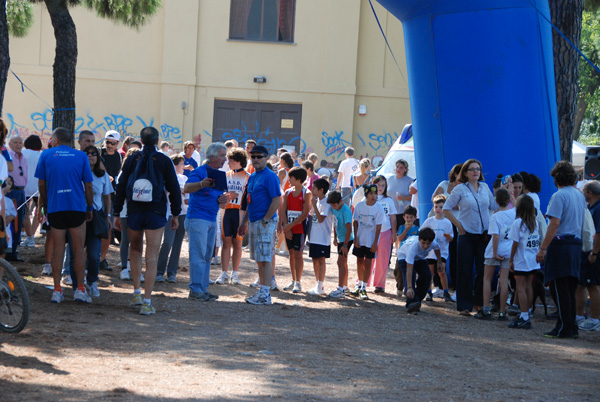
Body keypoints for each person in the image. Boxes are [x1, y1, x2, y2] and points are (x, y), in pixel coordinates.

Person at [113, 127, 181, 315]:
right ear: (157, 141)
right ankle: (147, 301)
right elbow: (174, 189)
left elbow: (121, 186)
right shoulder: (165, 160)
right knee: (152, 256)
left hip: (134, 211)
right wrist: (175, 214)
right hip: (156, 212)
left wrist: (116, 212)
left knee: (135, 251)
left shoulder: (132, 159)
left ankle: (136, 292)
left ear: (141, 141)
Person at [36, 127, 94, 304]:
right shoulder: (81, 156)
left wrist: (45, 205)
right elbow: (88, 185)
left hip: (56, 207)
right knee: (78, 250)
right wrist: (89, 207)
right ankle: (80, 290)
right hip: (77, 207)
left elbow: (41, 184)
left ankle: (57, 290)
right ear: (70, 140)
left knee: (58, 250)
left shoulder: (46, 155)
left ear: (55, 139)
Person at [537, 161, 585, 339]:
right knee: (570, 288)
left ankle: (564, 327)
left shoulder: (559, 196)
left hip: (561, 245)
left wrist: (543, 248)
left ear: (557, 178)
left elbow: (554, 223)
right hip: (575, 243)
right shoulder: (579, 195)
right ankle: (571, 326)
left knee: (559, 288)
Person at [443, 159, 497, 316]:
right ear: (465, 173)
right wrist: (458, 226)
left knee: (483, 270)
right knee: (465, 269)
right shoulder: (460, 189)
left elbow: (494, 206)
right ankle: (465, 305)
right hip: (466, 234)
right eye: (472, 169)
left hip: (484, 235)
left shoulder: (485, 187)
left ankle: (479, 302)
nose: (476, 171)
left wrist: (506, 194)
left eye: (478, 169)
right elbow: (446, 208)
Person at [183, 142, 229, 301]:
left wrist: (223, 199)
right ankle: (195, 289)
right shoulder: (199, 171)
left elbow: (220, 201)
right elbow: (187, 188)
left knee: (207, 255)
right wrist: (202, 183)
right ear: (212, 156)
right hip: (197, 219)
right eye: (222, 155)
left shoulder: (219, 175)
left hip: (211, 218)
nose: (225, 159)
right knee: (198, 254)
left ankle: (202, 288)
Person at [238, 145, 282, 305]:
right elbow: (251, 201)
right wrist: (244, 221)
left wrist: (265, 220)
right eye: (253, 156)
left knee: (265, 258)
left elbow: (276, 199)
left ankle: (265, 293)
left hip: (265, 222)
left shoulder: (270, 176)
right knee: (259, 258)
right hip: (255, 221)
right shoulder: (253, 176)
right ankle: (262, 291)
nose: (255, 159)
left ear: (266, 157)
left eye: (259, 156)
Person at [215, 148, 249, 285]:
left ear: (239, 161)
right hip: (226, 212)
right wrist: (226, 197)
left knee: (237, 244)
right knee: (226, 242)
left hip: (240, 212)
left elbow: (248, 197)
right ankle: (223, 273)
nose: (228, 162)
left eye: (231, 160)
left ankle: (235, 274)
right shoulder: (225, 175)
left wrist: (246, 219)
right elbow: (219, 195)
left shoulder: (248, 176)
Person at [82, 145, 113, 298]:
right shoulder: (77, 173)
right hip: (78, 217)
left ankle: (92, 281)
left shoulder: (103, 176)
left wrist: (107, 216)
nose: (90, 156)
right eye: (87, 154)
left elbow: (107, 197)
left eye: (94, 154)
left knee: (94, 255)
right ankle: (77, 282)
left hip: (96, 217)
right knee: (77, 253)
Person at [506, 195, 540, 329]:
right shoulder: (535, 222)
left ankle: (524, 315)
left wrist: (511, 260)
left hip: (521, 259)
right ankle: (527, 312)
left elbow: (515, 244)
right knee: (528, 287)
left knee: (520, 288)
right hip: (533, 259)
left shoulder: (517, 223)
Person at [480, 188, 515, 320]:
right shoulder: (514, 213)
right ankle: (502, 311)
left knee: (487, 279)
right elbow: (516, 204)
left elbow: (495, 236)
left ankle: (486, 309)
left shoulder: (495, 216)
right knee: (504, 281)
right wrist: (511, 195)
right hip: (508, 250)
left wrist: (494, 252)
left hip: (494, 250)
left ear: (496, 201)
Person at [156, 154, 188, 283]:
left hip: (183, 213)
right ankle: (159, 271)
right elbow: (165, 193)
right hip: (169, 213)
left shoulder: (185, 178)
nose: (184, 167)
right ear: (174, 165)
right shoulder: (166, 177)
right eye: (181, 164)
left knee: (177, 244)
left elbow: (187, 198)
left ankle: (172, 272)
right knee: (168, 242)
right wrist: (176, 190)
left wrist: (184, 192)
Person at [351, 184, 384, 300]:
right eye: (370, 193)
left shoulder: (379, 208)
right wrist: (356, 238)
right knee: (359, 261)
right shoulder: (360, 206)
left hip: (371, 240)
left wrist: (375, 242)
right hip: (360, 239)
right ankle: (359, 285)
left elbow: (378, 226)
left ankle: (364, 287)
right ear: (366, 194)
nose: (373, 196)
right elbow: (355, 222)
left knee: (368, 262)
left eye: (375, 193)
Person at [281, 167, 311, 293]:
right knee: (291, 254)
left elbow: (305, 213)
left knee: (298, 254)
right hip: (289, 228)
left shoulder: (307, 193)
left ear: (298, 180)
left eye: (291, 178)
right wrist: (286, 227)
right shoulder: (287, 192)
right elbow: (283, 210)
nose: (289, 180)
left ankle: (298, 282)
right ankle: (293, 280)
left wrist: (290, 226)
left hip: (300, 229)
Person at [399, 228, 442, 313]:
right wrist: (410, 287)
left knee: (427, 276)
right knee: (411, 279)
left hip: (419, 258)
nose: (426, 246)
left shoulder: (434, 243)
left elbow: (437, 249)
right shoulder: (413, 247)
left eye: (428, 244)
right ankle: (411, 303)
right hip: (404, 257)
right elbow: (409, 270)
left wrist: (439, 261)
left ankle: (417, 299)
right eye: (423, 243)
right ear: (419, 239)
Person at [421, 195, 454, 302]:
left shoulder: (447, 222)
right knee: (429, 273)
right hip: (430, 252)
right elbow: (421, 232)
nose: (438, 209)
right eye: (436, 207)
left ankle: (445, 292)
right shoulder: (429, 221)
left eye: (441, 207)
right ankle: (428, 292)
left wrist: (449, 237)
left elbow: (451, 237)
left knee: (441, 271)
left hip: (442, 252)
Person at [578, 181, 600, 332]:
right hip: (591, 252)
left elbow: (598, 234)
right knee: (586, 284)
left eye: (584, 190)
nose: (582, 193)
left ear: (590, 193)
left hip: (594, 253)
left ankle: (595, 320)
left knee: (593, 286)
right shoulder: (592, 207)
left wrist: (594, 253)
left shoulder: (598, 209)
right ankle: (585, 316)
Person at [369, 175, 397, 293]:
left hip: (385, 232)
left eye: (382, 185)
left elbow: (393, 218)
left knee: (383, 259)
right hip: (370, 232)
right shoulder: (368, 199)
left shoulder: (388, 200)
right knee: (368, 258)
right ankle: (363, 281)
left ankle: (380, 284)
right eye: (378, 185)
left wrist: (393, 233)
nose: (380, 187)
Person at [100, 130, 123, 271]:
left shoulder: (119, 157)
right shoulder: (98, 152)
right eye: (107, 142)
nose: (109, 145)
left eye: (112, 143)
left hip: (111, 195)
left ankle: (102, 258)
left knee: (109, 227)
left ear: (117, 144)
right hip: (98, 193)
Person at [307, 178, 332, 295]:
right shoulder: (316, 201)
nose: (312, 190)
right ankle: (318, 285)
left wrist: (314, 206)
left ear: (321, 190)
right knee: (314, 259)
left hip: (323, 237)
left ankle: (321, 284)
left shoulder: (326, 202)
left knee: (321, 260)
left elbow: (321, 218)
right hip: (314, 236)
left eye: (314, 188)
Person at [327, 190, 354, 298]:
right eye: (331, 205)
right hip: (340, 239)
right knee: (343, 262)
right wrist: (335, 237)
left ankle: (340, 288)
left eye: (334, 205)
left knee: (340, 262)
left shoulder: (346, 210)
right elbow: (335, 223)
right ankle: (345, 286)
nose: (333, 207)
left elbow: (349, 229)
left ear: (340, 201)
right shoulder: (335, 209)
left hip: (346, 239)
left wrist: (345, 245)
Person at [6, 136, 28, 261]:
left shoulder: (23, 158)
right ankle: (7, 251)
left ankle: (13, 252)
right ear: (10, 144)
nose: (18, 145)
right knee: (10, 222)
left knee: (18, 223)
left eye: (20, 142)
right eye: (15, 142)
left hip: (21, 192)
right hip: (10, 192)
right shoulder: (7, 157)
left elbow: (25, 175)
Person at [22, 135, 43, 248]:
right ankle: (32, 237)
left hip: (24, 187)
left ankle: (29, 237)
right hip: (39, 188)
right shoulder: (41, 155)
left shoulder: (23, 153)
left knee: (24, 213)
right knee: (39, 212)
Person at [394, 205, 419, 296]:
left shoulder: (417, 229)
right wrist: (406, 230)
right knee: (398, 270)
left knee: (411, 271)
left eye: (411, 217)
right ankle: (400, 286)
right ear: (404, 217)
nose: (409, 219)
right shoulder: (401, 227)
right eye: (407, 217)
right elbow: (399, 239)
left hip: (412, 254)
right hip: (402, 253)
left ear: (415, 218)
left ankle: (409, 288)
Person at [387, 159, 413, 230]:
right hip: (391, 211)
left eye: (401, 167)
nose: (398, 169)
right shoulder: (390, 179)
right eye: (397, 167)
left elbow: (414, 197)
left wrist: (403, 197)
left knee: (402, 234)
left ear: (405, 169)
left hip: (404, 213)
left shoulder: (409, 180)